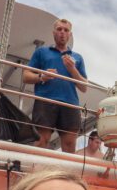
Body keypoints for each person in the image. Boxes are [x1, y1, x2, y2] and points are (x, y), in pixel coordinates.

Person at [22, 19, 88, 153]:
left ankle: (66, 174)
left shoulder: (78, 58)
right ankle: (38, 172)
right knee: (41, 141)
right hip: (46, 101)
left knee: (70, 145)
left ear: (70, 35)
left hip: (70, 104)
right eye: (59, 29)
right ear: (53, 33)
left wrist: (72, 70)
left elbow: (84, 87)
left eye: (66, 30)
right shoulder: (41, 52)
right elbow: (26, 76)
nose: (62, 32)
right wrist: (41, 76)